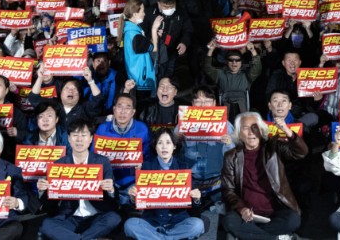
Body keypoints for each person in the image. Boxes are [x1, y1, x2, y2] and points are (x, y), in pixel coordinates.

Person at [221, 112, 308, 240]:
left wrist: (286, 130)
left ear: (261, 131)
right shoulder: (231, 156)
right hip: (247, 214)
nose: (251, 132)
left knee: (293, 220)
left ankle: (251, 235)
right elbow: (229, 190)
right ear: (239, 133)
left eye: (255, 127)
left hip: (275, 212)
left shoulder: (273, 148)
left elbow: (301, 152)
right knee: (229, 221)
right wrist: (242, 209)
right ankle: (277, 238)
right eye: (245, 128)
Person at [37, 118, 121, 240]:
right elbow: (48, 204)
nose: (79, 139)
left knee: (114, 218)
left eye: (84, 135)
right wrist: (42, 190)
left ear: (91, 138)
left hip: (96, 217)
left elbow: (114, 201)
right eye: (75, 135)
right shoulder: (59, 164)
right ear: (69, 139)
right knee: (47, 224)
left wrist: (111, 190)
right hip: (69, 218)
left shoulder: (102, 162)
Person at [124, 128, 206, 240]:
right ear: (155, 147)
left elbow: (194, 208)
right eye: (160, 143)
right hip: (152, 222)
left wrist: (196, 199)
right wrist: (133, 198)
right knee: (130, 225)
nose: (164, 147)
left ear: (174, 146)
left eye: (168, 143)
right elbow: (137, 204)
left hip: (178, 221)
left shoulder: (184, 167)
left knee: (197, 225)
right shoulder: (146, 167)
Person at [177, 86, 234, 203]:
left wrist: (229, 144)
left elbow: (234, 156)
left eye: (207, 101)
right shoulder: (182, 125)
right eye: (198, 101)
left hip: (217, 179)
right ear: (192, 103)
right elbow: (172, 152)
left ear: (214, 103)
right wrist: (177, 140)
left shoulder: (226, 125)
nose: (202, 105)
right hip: (191, 179)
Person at [94, 93, 151, 204]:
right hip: (109, 181)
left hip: (133, 182)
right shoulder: (102, 129)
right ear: (114, 109)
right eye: (119, 107)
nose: (123, 111)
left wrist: (142, 165)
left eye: (127, 107)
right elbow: (93, 157)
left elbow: (149, 157)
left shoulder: (142, 129)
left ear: (133, 112)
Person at [203, 40, 262, 121]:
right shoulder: (220, 74)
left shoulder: (246, 75)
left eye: (237, 60)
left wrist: (253, 50)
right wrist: (211, 49)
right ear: (227, 62)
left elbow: (257, 68)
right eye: (231, 60)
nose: (234, 62)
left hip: (243, 111)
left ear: (241, 62)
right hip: (225, 111)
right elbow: (207, 68)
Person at [117, 0, 160, 101]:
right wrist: (154, 29)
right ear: (135, 14)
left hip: (136, 78)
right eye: (142, 11)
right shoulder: (134, 34)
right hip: (141, 81)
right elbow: (153, 48)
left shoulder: (131, 31)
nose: (144, 14)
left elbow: (144, 46)